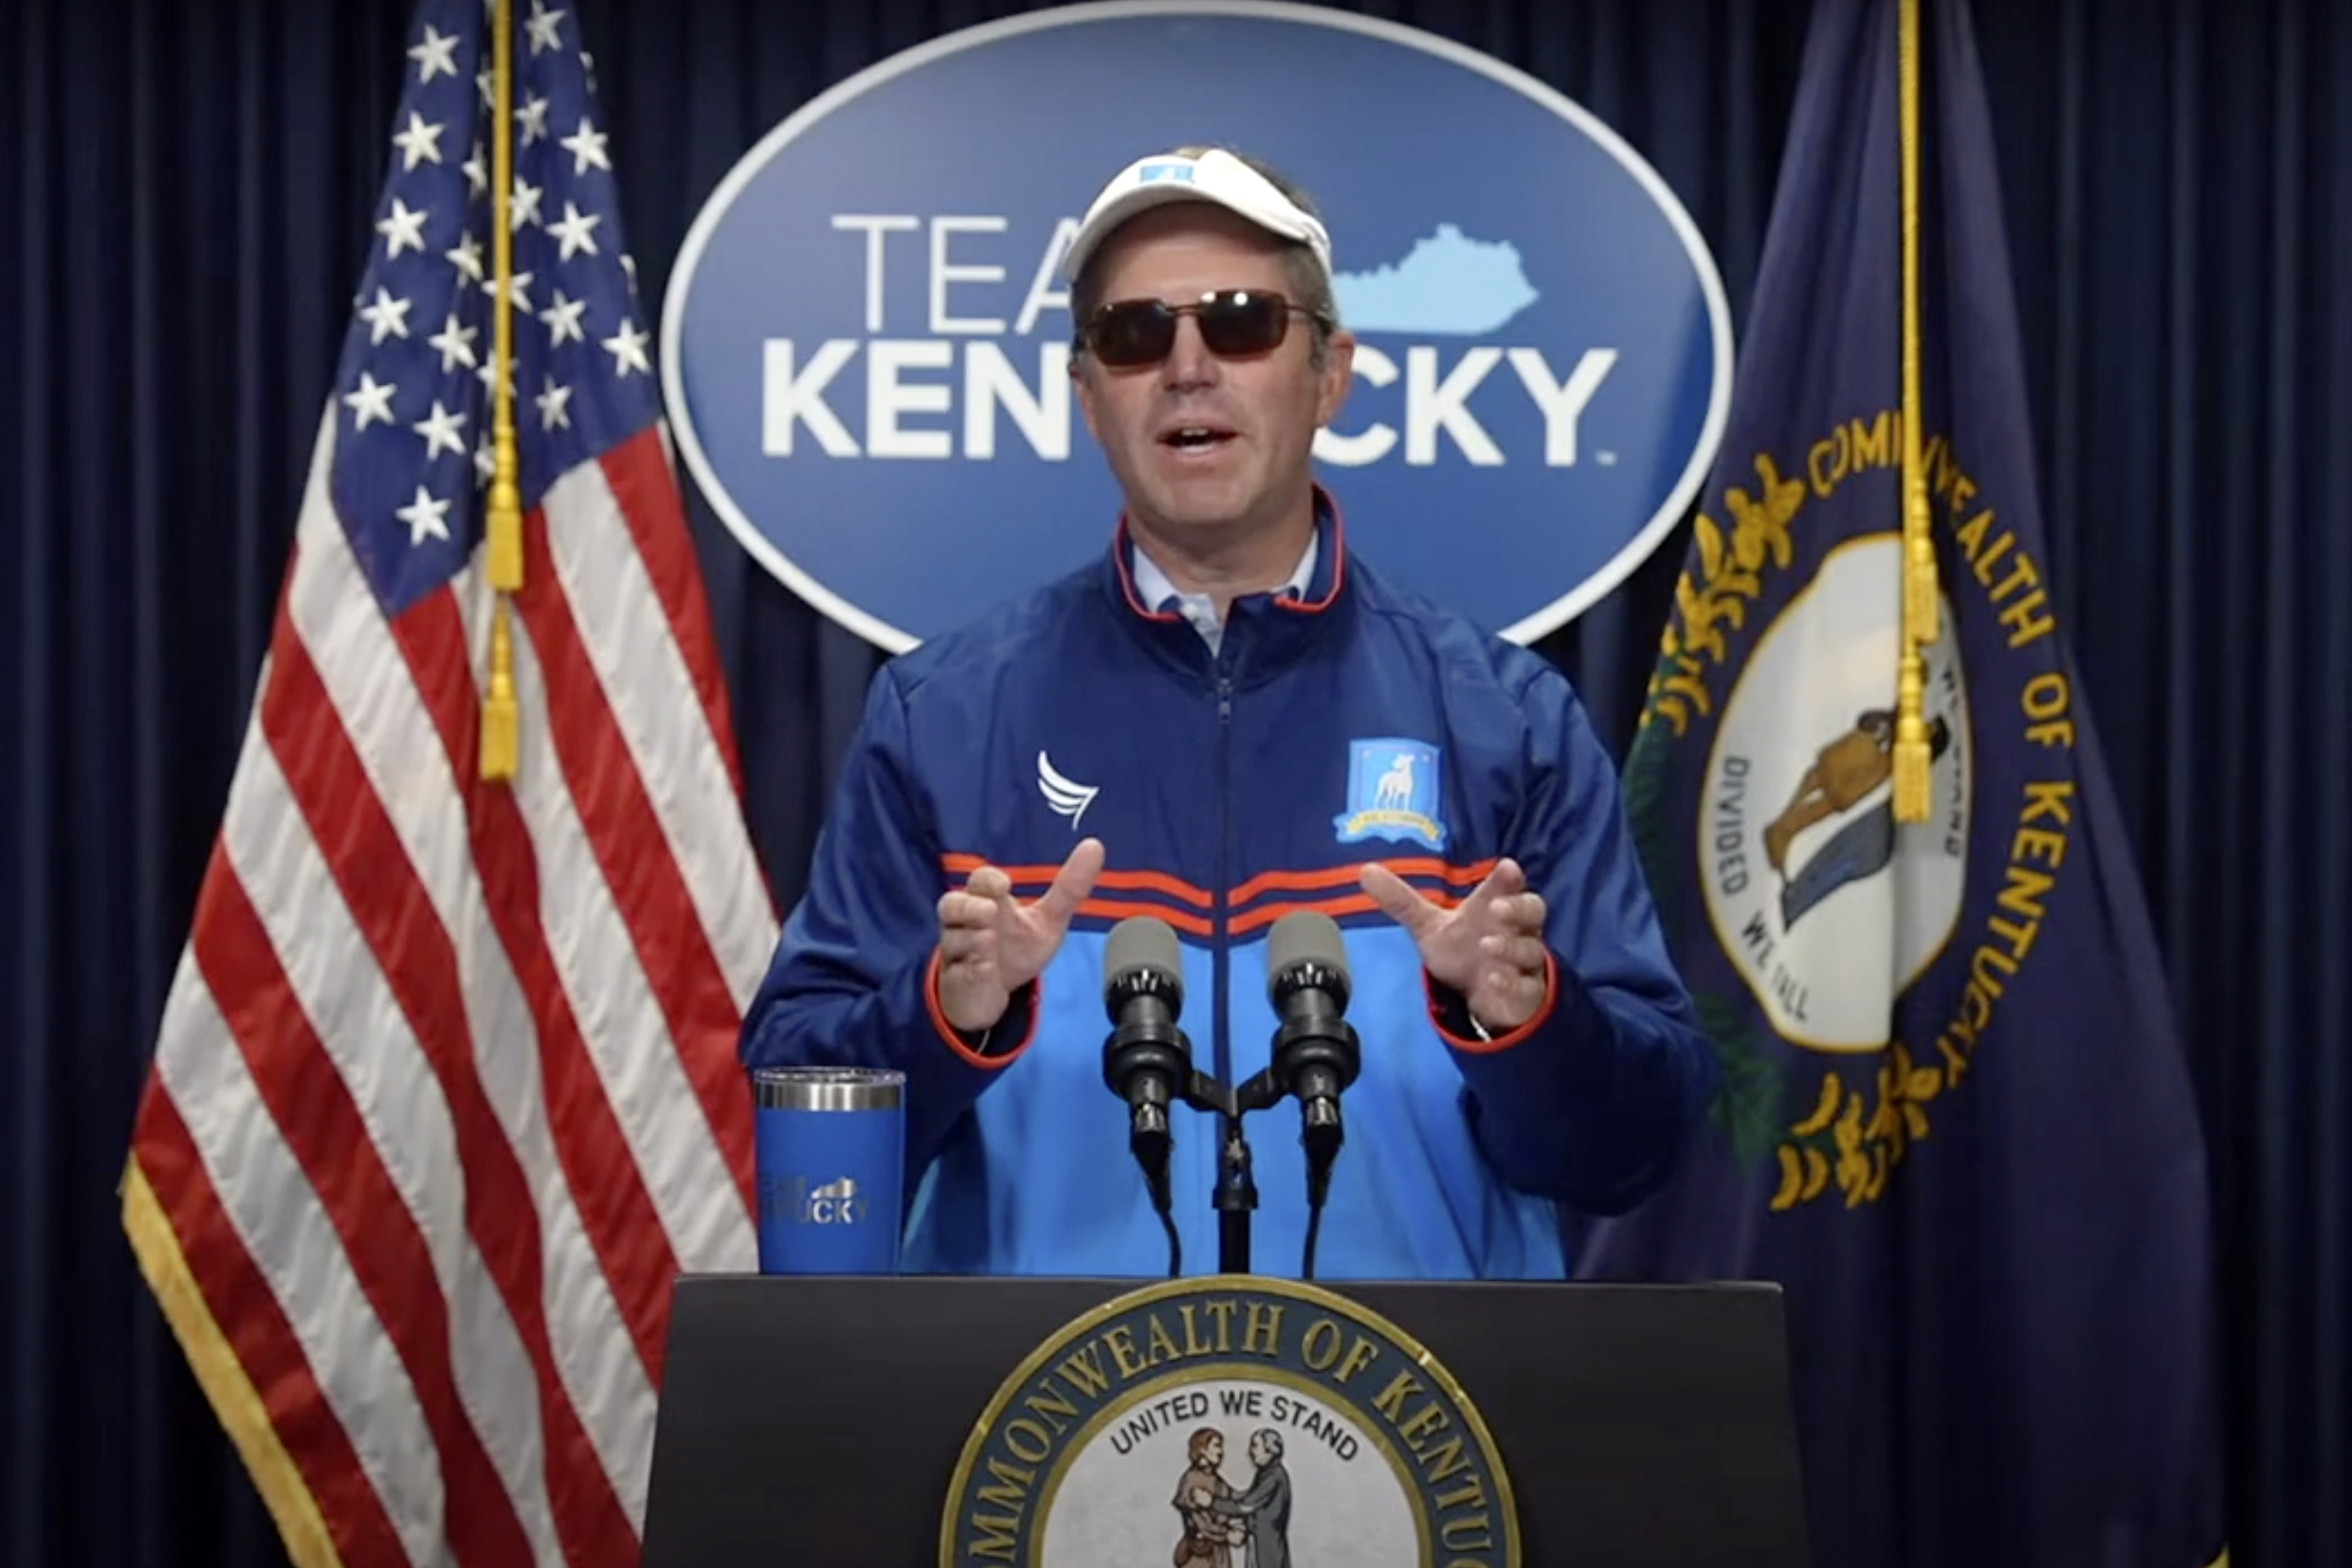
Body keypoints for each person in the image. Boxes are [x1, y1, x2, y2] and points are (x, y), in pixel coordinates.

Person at [738, 143, 1714, 1280]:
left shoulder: (1507, 723)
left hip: (1418, 1428)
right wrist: (945, 1016)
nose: (1187, 367)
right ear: (1087, 394)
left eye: (1242, 322)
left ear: (1331, 372)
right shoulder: (941, 717)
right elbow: (799, 1134)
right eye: (1134, 334)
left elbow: (1639, 1150)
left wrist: (1528, 1020)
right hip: (1037, 1430)